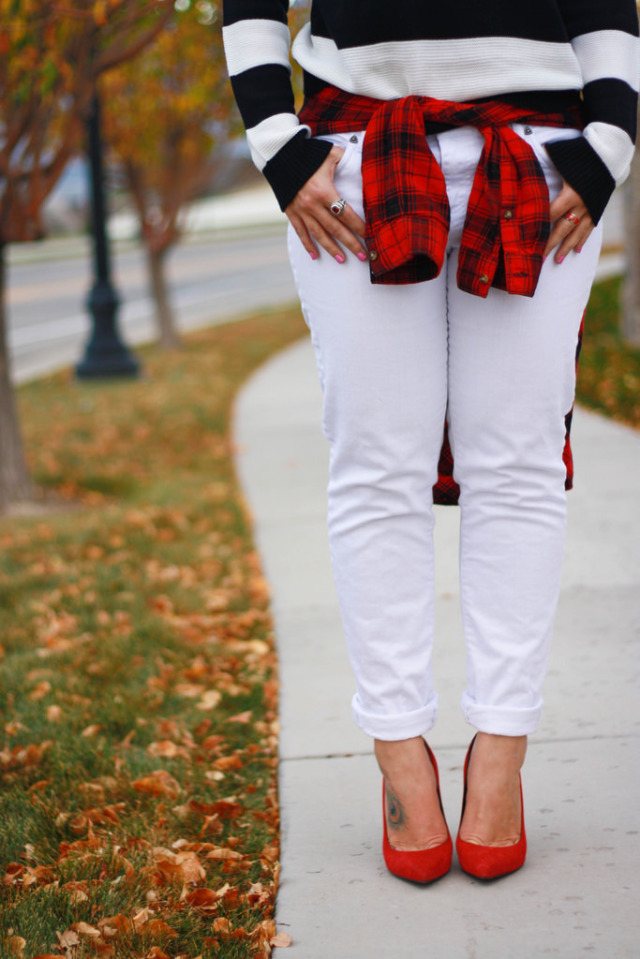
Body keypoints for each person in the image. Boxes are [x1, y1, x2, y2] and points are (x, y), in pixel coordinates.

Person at [222, 0, 639, 881]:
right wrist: (277, 144)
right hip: (358, 154)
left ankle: (501, 755)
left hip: (542, 154)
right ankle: (400, 756)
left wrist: (609, 146)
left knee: (519, 465)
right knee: (378, 466)